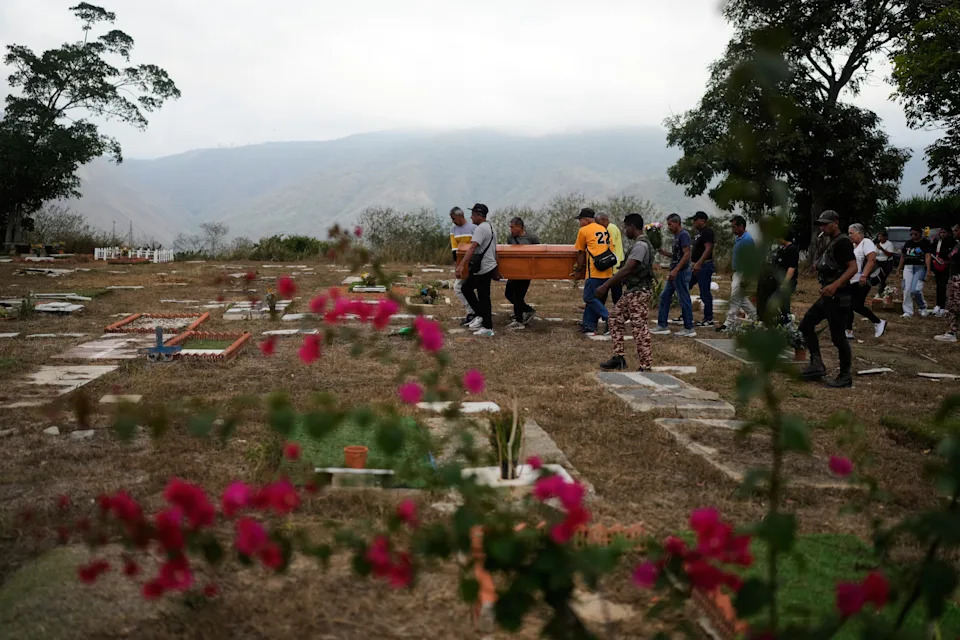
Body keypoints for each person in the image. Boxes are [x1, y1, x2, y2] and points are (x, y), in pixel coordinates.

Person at [799, 210, 858, 388]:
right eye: (821, 224)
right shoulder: (832, 242)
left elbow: (853, 267)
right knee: (805, 325)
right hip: (827, 296)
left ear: (836, 222)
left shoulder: (843, 242)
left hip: (839, 296)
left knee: (838, 337)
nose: (823, 227)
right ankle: (816, 365)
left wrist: (836, 285)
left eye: (826, 224)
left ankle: (845, 375)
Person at [597, 213, 655, 371]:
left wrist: (606, 286)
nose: (624, 230)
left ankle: (646, 365)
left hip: (639, 293)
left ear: (632, 226)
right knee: (615, 319)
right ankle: (618, 358)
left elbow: (629, 268)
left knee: (639, 328)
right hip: (632, 291)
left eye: (625, 227)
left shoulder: (640, 246)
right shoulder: (639, 244)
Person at [455, 203, 497, 337]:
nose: (471, 217)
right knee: (466, 288)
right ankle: (479, 315)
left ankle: (487, 327)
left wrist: (461, 265)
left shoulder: (480, 229)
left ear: (479, 215)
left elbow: (472, 248)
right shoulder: (490, 227)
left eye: (473, 214)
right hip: (488, 265)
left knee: (484, 297)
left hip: (483, 267)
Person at [651, 214, 696, 337]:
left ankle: (689, 328)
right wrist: (664, 253)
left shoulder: (683, 235)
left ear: (677, 223)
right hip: (674, 272)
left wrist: (676, 270)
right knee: (664, 296)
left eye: (670, 224)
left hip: (681, 272)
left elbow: (686, 254)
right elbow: (677, 255)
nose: (669, 227)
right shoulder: (676, 236)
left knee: (684, 298)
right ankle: (662, 325)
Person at [573, 208, 615, 334]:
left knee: (589, 297)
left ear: (585, 220)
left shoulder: (584, 230)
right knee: (597, 298)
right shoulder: (604, 229)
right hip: (607, 269)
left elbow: (580, 252)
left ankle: (608, 317)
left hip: (594, 270)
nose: (579, 223)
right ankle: (589, 325)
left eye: (580, 220)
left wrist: (578, 269)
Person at [846, 223, 886, 340]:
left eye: (851, 233)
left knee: (856, 305)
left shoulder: (866, 242)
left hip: (862, 280)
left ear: (860, 233)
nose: (850, 235)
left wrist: (864, 275)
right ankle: (848, 330)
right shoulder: (853, 245)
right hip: (852, 280)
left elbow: (871, 259)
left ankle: (878, 322)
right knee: (848, 305)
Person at [718, 215, 758, 332]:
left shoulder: (747, 240)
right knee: (742, 299)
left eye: (734, 227)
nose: (732, 229)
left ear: (741, 226)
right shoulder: (739, 238)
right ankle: (756, 317)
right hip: (737, 272)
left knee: (735, 298)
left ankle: (728, 323)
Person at [757, 229, 799, 326]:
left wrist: (785, 283)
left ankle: (787, 321)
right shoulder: (782, 249)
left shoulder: (792, 249)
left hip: (787, 281)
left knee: (782, 302)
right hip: (777, 281)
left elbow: (791, 268)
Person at [504, 217, 540, 330]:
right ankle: (527, 310)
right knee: (509, 293)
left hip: (526, 271)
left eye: (513, 227)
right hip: (514, 270)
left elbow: (538, 252)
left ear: (520, 227)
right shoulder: (510, 238)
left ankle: (519, 320)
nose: (511, 229)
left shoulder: (532, 237)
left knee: (518, 295)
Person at [449, 207, 477, 326]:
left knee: (462, 287)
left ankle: (474, 312)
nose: (453, 221)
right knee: (458, 287)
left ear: (461, 217)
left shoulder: (473, 228)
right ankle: (473, 311)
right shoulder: (453, 230)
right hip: (462, 264)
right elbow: (455, 250)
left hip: (474, 263)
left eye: (454, 218)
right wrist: (458, 267)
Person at [897, 227, 933, 318]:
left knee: (916, 289)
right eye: (911, 234)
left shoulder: (925, 242)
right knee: (907, 289)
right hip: (908, 267)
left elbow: (928, 256)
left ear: (920, 233)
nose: (913, 236)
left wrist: (928, 270)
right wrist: (898, 269)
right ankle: (908, 311)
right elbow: (903, 256)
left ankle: (923, 307)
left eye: (915, 234)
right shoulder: (908, 243)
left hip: (920, 267)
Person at [689, 211, 715, 327]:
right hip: (695, 265)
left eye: (696, 220)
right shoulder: (698, 233)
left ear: (703, 220)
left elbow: (708, 248)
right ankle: (685, 314)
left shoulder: (708, 232)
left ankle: (708, 318)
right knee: (686, 286)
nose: (694, 222)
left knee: (704, 292)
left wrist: (699, 263)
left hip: (704, 266)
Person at [934, 224, 960, 343]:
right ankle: (953, 330)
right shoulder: (957, 244)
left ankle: (953, 331)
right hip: (953, 278)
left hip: (958, 279)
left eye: (956, 230)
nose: (954, 232)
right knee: (951, 305)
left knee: (956, 305)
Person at [595, 212, 624, 304]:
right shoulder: (608, 228)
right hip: (611, 265)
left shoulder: (610, 229)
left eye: (598, 222)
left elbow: (608, 246)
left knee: (616, 293)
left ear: (604, 220)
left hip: (614, 265)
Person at [932, 227, 957, 316]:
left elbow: (953, 257)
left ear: (949, 233)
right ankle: (938, 304)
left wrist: (946, 262)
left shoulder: (953, 242)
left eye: (944, 232)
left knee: (944, 286)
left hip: (947, 267)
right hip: (937, 265)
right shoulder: (937, 241)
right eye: (941, 232)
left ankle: (944, 306)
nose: (942, 234)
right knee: (939, 285)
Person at [874, 230, 896, 295]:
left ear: (885, 237)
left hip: (887, 263)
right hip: (878, 262)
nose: (879, 238)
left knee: (883, 278)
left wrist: (882, 249)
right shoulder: (877, 244)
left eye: (881, 236)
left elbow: (890, 254)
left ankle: (881, 292)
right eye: (878, 236)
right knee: (880, 278)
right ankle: (885, 292)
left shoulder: (889, 244)